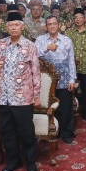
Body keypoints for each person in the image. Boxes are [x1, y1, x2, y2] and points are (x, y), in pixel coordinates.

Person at [0, 12, 41, 171]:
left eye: (17, 25)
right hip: (3, 97)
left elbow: (36, 72)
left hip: (23, 98)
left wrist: (36, 95)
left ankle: (30, 162)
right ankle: (13, 161)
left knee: (26, 132)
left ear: (22, 27)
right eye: (11, 25)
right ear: (6, 27)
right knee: (7, 132)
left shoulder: (30, 46)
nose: (14, 28)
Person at [36, 16, 76, 144]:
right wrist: (47, 48)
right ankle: (54, 131)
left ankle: (67, 133)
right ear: (46, 27)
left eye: (54, 24)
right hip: (46, 80)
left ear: (58, 25)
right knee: (50, 107)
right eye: (49, 24)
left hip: (63, 78)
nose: (52, 26)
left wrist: (72, 79)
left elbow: (71, 61)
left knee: (66, 106)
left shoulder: (66, 40)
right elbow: (34, 56)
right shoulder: (40, 40)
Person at [66, 7, 86, 120]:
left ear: (85, 19)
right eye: (76, 17)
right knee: (70, 92)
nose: (78, 19)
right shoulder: (69, 32)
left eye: (80, 17)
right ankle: (70, 113)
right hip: (71, 68)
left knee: (85, 92)